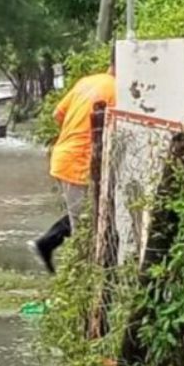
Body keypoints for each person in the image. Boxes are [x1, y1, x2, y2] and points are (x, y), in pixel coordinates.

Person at [32, 56, 116, 273]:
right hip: (78, 163)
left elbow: (57, 114)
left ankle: (47, 244)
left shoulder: (88, 81)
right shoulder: (118, 91)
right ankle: (83, 277)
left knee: (87, 215)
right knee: (84, 226)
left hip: (66, 156)